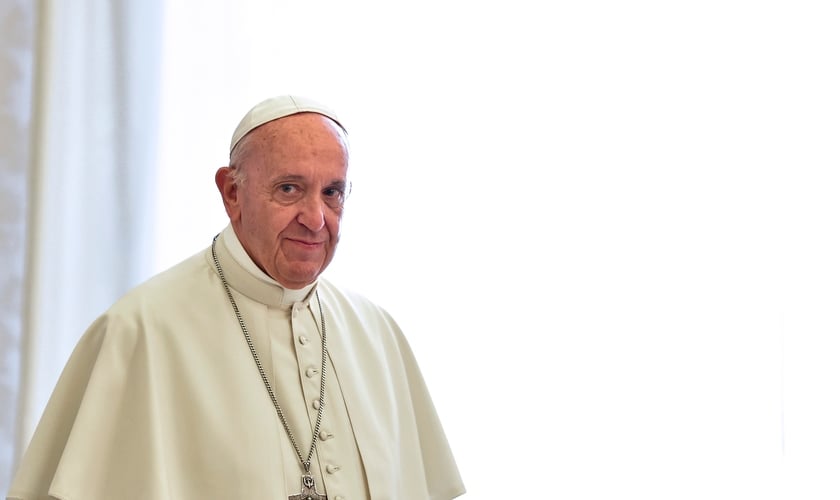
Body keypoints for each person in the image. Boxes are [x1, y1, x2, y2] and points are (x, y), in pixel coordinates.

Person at [7, 95, 465, 500]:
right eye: (290, 189)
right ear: (232, 192)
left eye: (332, 193)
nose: (316, 218)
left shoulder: (377, 333)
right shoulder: (142, 330)